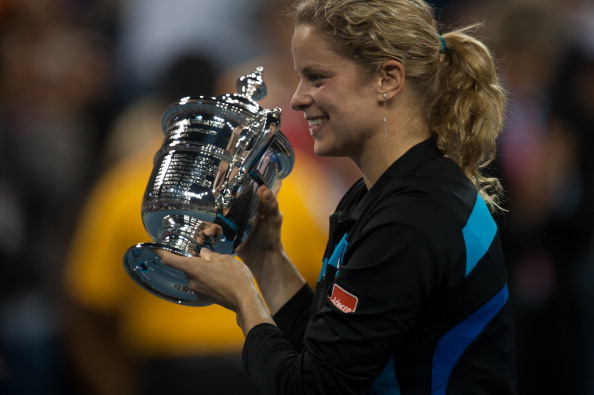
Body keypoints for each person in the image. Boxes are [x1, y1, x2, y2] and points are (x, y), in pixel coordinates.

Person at [158, 0, 518, 393]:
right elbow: (324, 352)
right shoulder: (380, 194)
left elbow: (312, 387)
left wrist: (244, 298)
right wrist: (265, 258)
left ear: (387, 79)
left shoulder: (413, 217)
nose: (296, 98)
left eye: (316, 78)